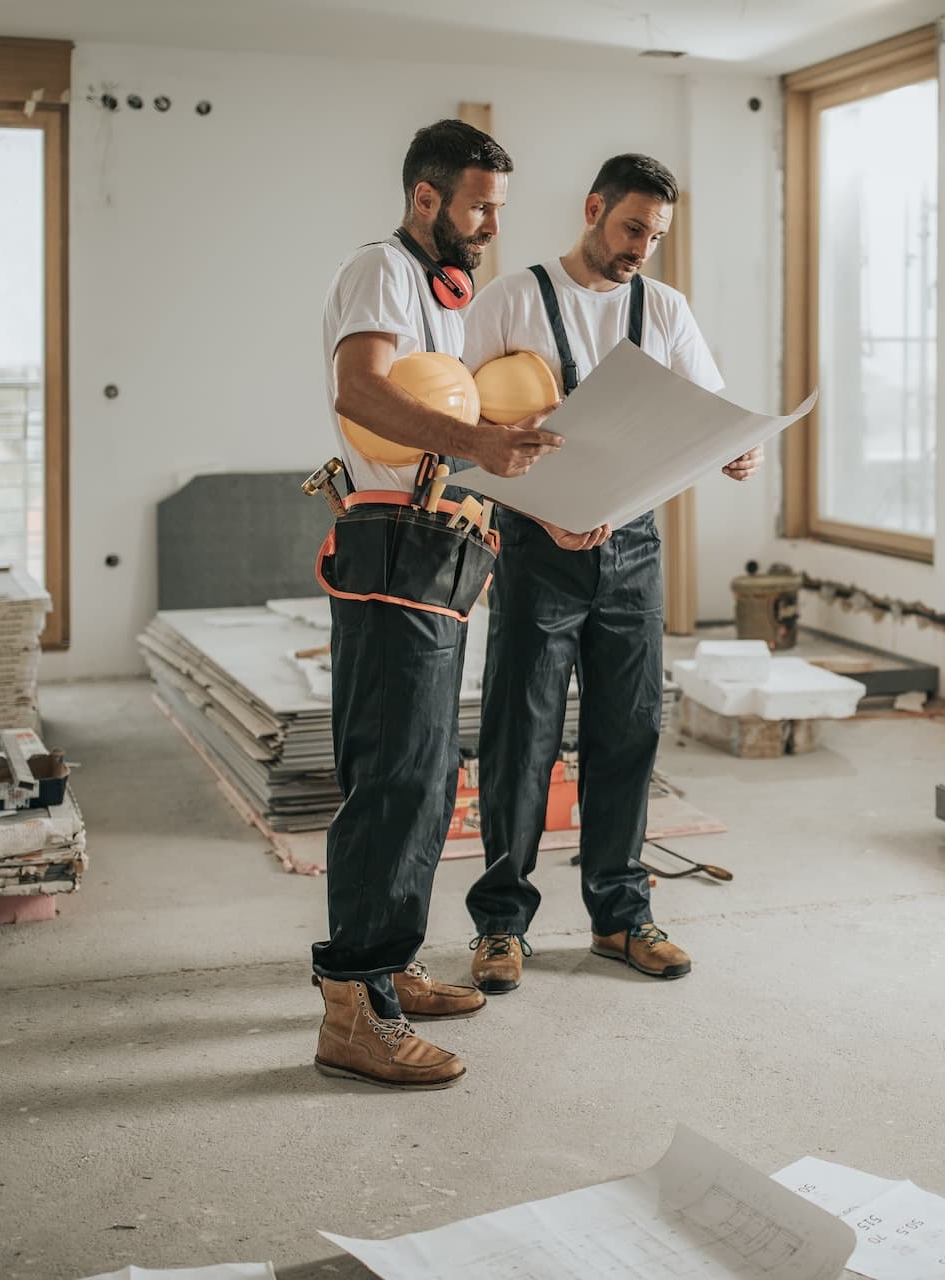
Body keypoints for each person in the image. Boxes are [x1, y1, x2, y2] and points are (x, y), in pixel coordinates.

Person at [460, 153, 762, 992]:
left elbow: (709, 410)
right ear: (593, 208)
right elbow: (460, 424)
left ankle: (622, 917)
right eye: (632, 228)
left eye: (656, 236)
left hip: (633, 552)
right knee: (521, 737)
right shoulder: (511, 299)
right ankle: (500, 926)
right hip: (534, 549)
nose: (641, 248)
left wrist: (739, 449)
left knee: (627, 733)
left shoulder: (662, 307)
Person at [309, 119, 563, 1090]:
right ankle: (353, 1007)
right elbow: (363, 393)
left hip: (445, 539)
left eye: (499, 206)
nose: (493, 225)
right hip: (391, 539)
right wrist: (483, 447)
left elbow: (444, 407)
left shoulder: (443, 296)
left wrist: (502, 441)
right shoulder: (381, 268)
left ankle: (393, 963)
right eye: (481, 206)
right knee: (392, 774)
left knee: (427, 772)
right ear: (428, 198)